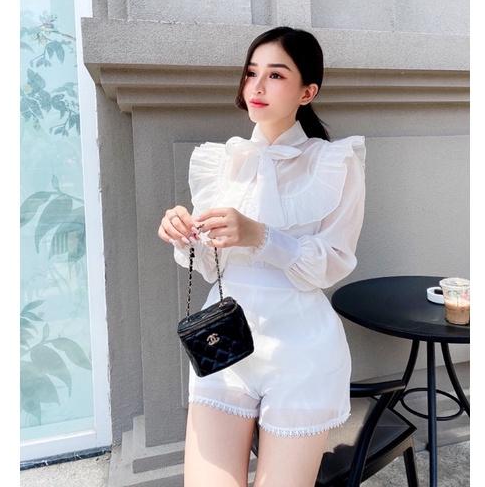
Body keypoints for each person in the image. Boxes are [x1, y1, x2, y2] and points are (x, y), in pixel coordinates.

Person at [157, 26, 366, 487]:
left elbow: (332, 262)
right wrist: (184, 236)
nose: (257, 86)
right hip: (224, 345)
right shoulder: (222, 162)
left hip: (300, 351)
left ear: (307, 92)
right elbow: (211, 266)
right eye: (251, 73)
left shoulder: (335, 162)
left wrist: (259, 235)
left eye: (276, 75)